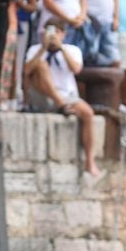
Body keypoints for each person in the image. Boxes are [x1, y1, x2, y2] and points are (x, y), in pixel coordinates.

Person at [24, 22, 98, 178]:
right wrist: (43, 48)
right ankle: (60, 104)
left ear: (63, 34)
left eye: (57, 32)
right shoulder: (35, 49)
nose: (53, 35)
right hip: (43, 95)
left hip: (67, 95)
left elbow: (76, 69)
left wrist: (61, 48)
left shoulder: (72, 50)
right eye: (50, 31)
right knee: (41, 66)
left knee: (88, 113)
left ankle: (90, 161)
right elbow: (27, 70)